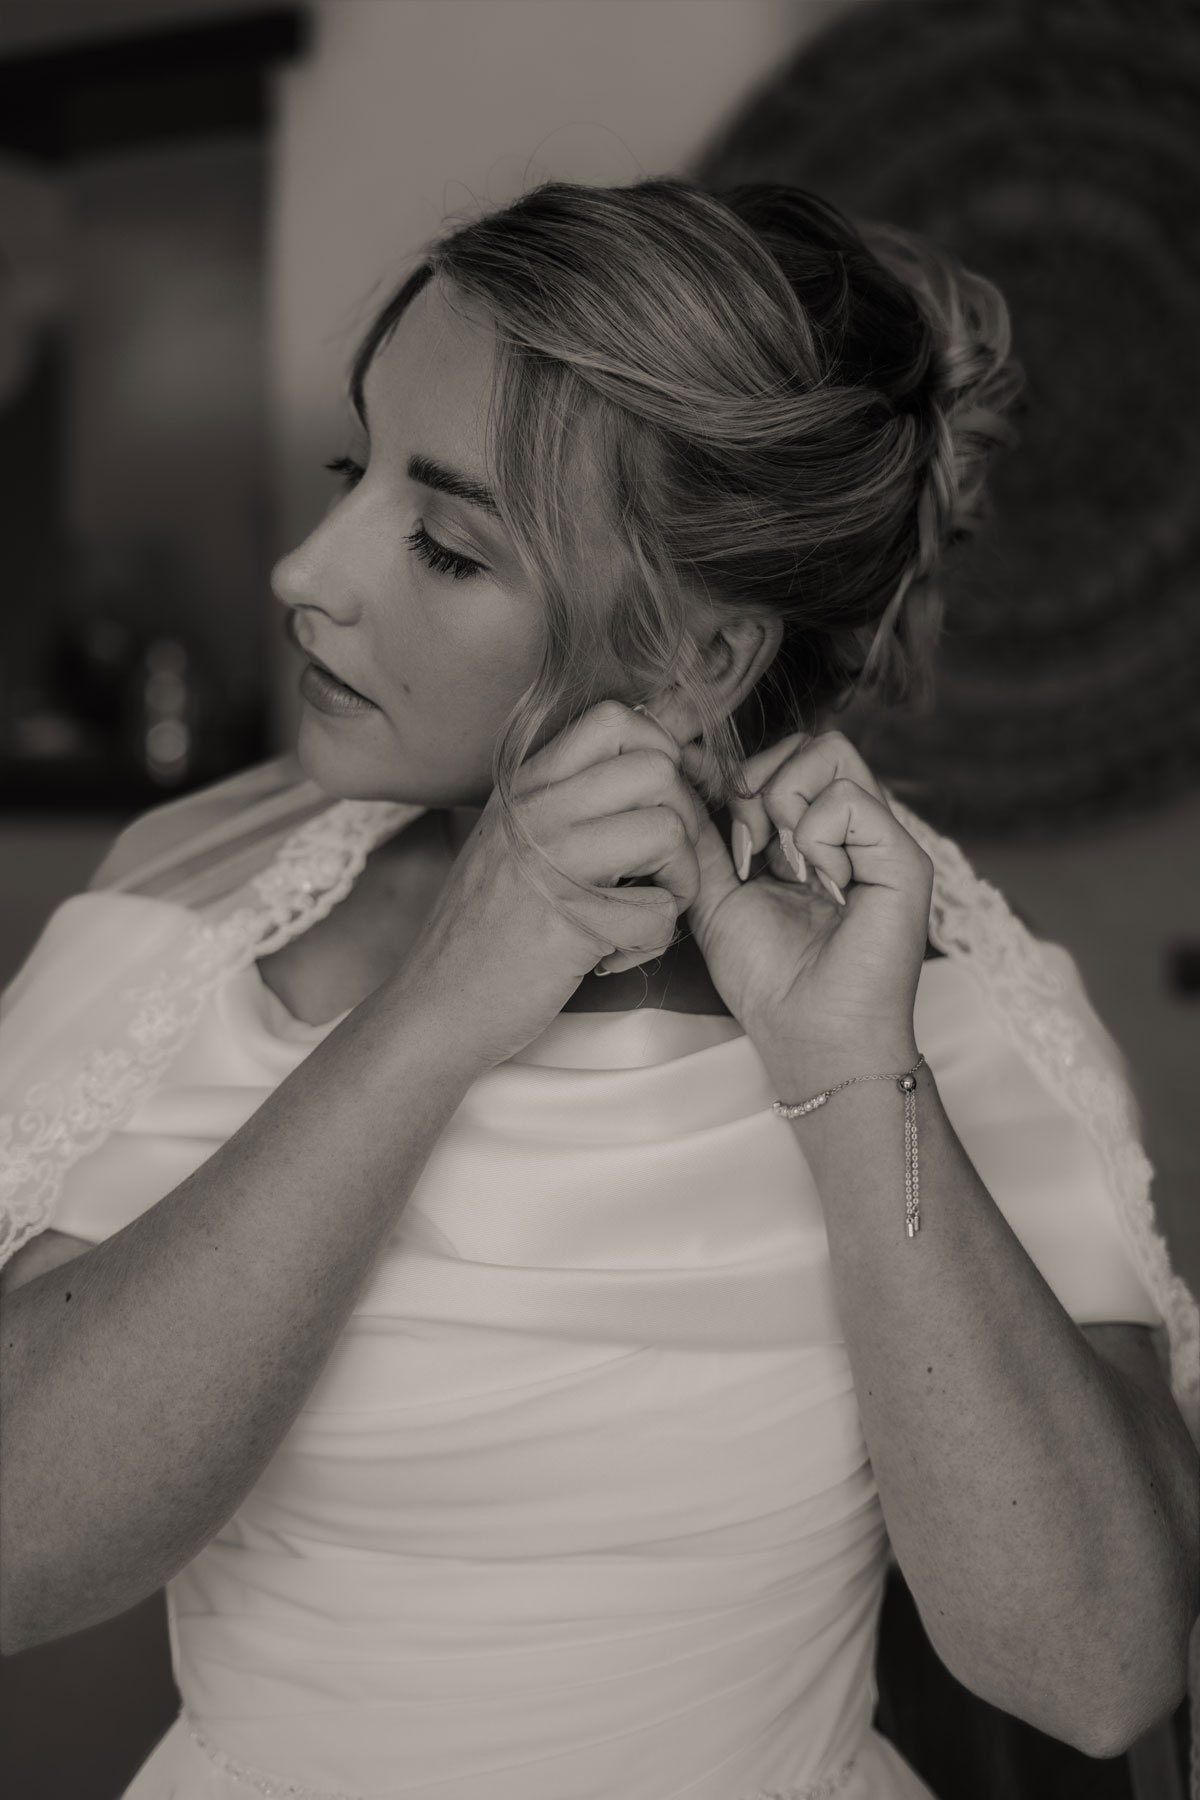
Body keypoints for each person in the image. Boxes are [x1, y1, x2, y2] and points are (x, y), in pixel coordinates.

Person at [0, 178, 1196, 1800]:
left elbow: (1100, 1673)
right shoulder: (194, 924)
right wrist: (438, 1010)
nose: (298, 570)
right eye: (354, 473)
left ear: (703, 658)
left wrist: (854, 1076)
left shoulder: (950, 990)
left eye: (445, 544)